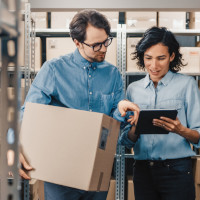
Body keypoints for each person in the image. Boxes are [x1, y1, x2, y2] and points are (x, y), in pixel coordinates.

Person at [19, 9, 140, 200]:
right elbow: (29, 113)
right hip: (61, 171)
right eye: (96, 45)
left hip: (97, 168)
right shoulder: (53, 69)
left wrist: (120, 110)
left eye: (106, 41)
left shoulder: (113, 74)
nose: (103, 49)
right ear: (77, 42)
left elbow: (114, 124)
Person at [115, 26, 200, 200]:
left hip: (177, 171)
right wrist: (135, 128)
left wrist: (180, 130)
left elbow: (198, 137)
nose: (154, 65)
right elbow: (125, 141)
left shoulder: (187, 85)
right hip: (142, 171)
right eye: (148, 58)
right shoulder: (133, 89)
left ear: (172, 56)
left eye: (161, 58)